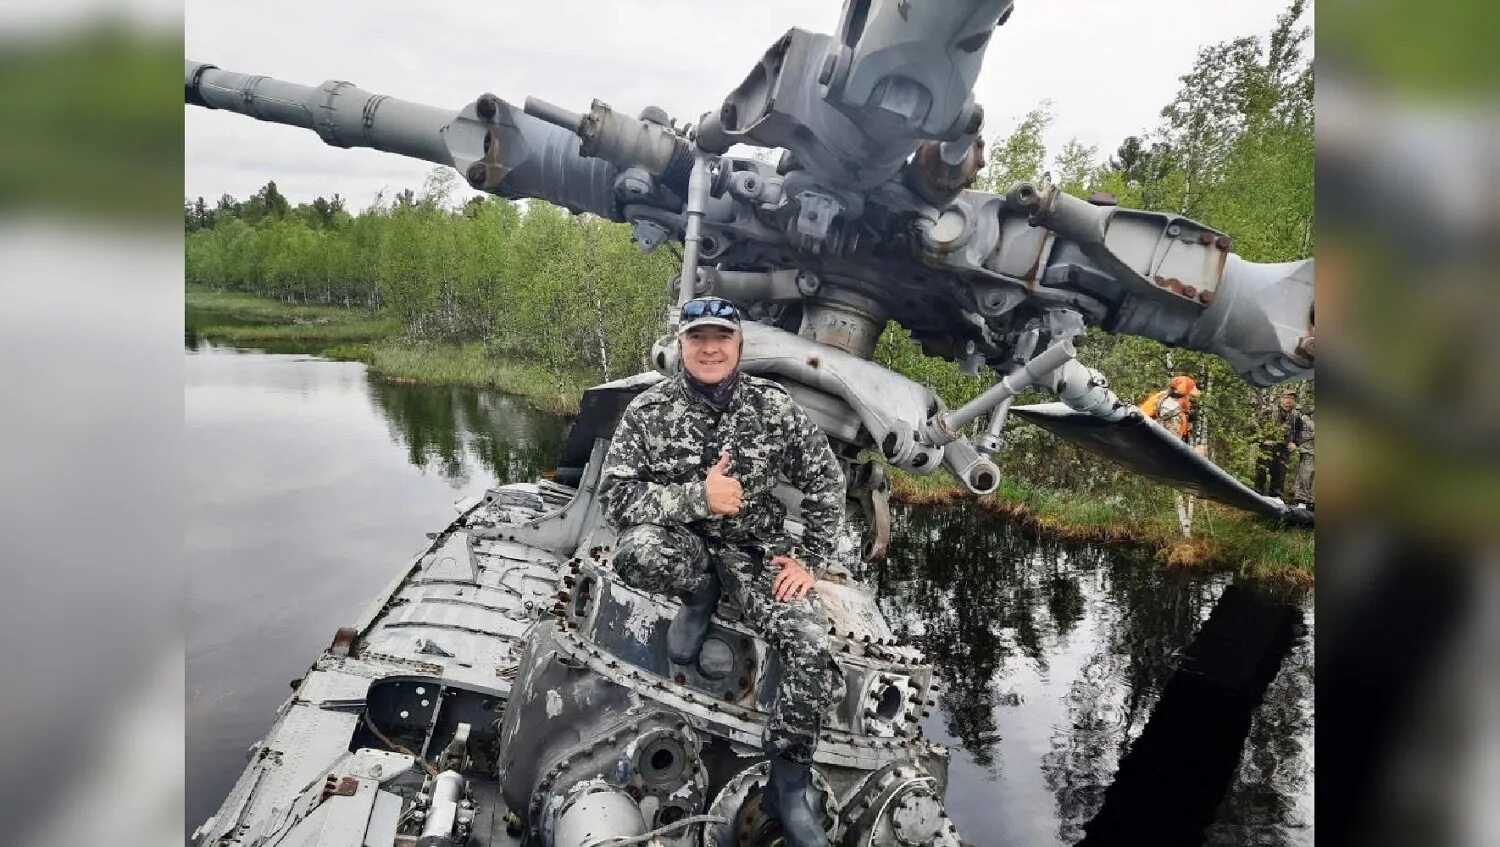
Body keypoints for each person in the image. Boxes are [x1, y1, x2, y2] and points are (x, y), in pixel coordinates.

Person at [598, 296, 846, 847]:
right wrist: (698, 496)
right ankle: (698, 597)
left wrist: (812, 560)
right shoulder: (649, 411)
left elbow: (827, 482)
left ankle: (787, 782)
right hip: (685, 544)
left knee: (809, 645)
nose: (709, 348)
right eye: (697, 338)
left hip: (755, 553)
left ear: (739, 345)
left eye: (721, 338)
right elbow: (616, 499)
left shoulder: (773, 407)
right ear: (681, 344)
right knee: (636, 552)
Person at [1254, 391, 1307, 499]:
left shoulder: (1296, 416)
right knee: (1261, 472)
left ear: (1294, 401)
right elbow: (1256, 425)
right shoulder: (1269, 411)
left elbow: (1301, 432)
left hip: (1284, 449)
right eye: (1286, 397)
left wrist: (1295, 443)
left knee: (1279, 476)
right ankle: (1255, 497)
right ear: (1281, 398)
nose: (1288, 400)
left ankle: (1275, 501)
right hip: (1267, 447)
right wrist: (1262, 439)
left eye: (1291, 398)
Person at [1141, 375, 1201, 442]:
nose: (1189, 399)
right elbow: (1172, 444)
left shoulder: (1162, 397)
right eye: (1190, 395)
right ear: (1184, 396)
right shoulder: (1174, 414)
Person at [1291, 412, 1314, 507]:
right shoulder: (1305, 418)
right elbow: (1300, 434)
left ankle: (1311, 500)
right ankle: (1301, 500)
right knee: (1305, 475)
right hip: (1308, 451)